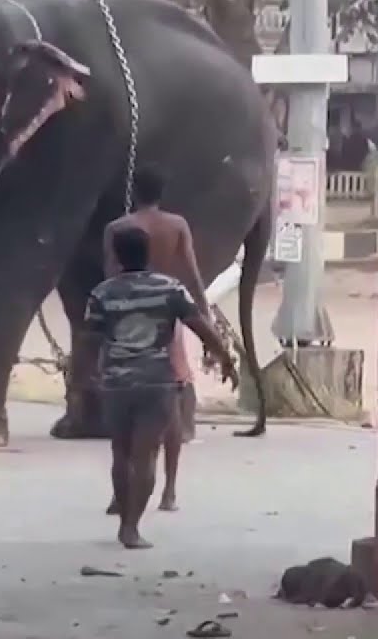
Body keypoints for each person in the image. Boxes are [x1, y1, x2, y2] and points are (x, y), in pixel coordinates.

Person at [88, 227, 238, 549]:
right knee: (145, 456)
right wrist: (225, 359)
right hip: (156, 382)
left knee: (120, 452)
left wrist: (91, 377)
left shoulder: (103, 293)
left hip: (116, 383)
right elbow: (201, 327)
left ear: (115, 256)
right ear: (149, 255)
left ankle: (123, 514)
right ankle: (130, 528)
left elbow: (91, 339)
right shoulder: (170, 289)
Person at [102, 167, 210, 513]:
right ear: (163, 192)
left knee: (124, 406)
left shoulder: (118, 229)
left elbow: (110, 274)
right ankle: (169, 491)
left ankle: (122, 494)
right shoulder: (176, 226)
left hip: (126, 316)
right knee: (171, 405)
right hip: (166, 313)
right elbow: (192, 274)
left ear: (132, 190)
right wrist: (204, 317)